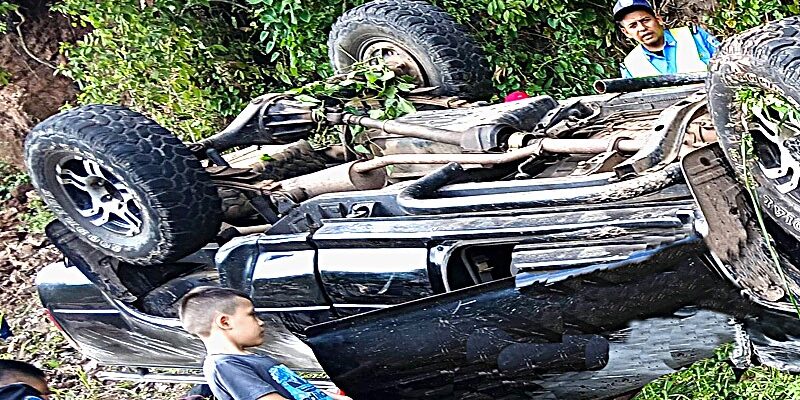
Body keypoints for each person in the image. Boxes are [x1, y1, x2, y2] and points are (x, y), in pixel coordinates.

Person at [178, 286, 352, 400]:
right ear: (225, 322)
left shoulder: (251, 359)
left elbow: (302, 390)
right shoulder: (225, 366)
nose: (260, 322)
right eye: (251, 314)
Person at [613, 0, 720, 78]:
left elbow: (729, 66)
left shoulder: (696, 36)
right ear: (626, 32)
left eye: (645, 20)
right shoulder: (630, 65)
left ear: (658, 19)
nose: (642, 28)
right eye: (633, 26)